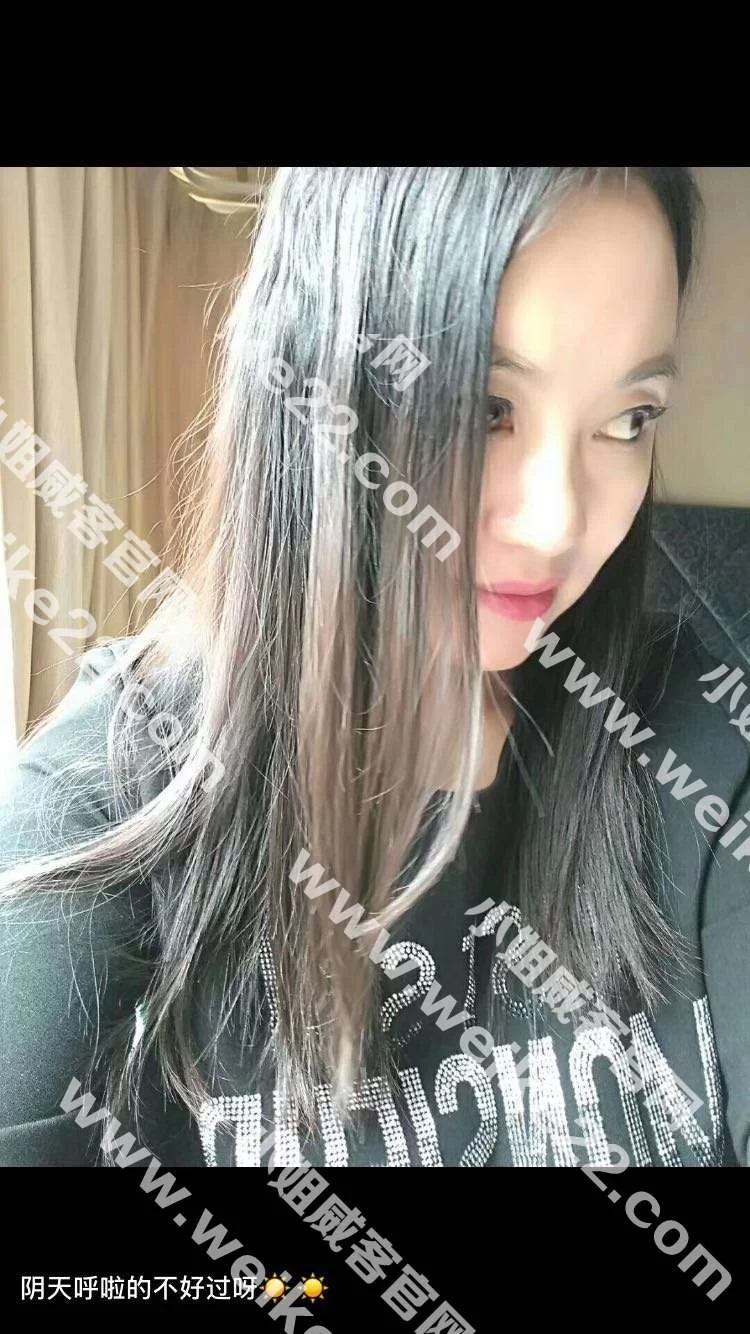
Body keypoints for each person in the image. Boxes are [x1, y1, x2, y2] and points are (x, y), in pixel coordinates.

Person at [1, 167, 747, 1168]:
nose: (559, 520)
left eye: (628, 420)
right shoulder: (108, 796)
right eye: (486, 407)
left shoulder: (698, 743)